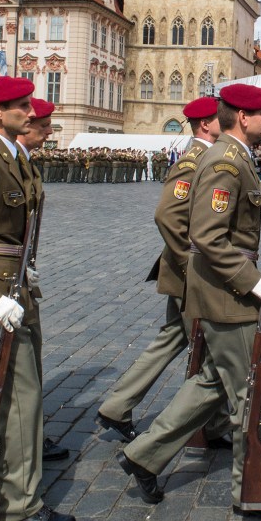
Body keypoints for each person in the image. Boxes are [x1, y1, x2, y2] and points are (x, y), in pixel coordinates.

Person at [118, 84, 261, 520]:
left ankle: (145, 454)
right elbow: (206, 235)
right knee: (253, 389)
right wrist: (252, 280)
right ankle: (256, 491)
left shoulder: (231, 156)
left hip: (224, 290)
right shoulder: (224, 160)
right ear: (242, 116)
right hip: (227, 294)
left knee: (215, 381)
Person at [98, 97, 231, 445]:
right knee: (215, 349)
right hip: (189, 272)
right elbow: (168, 215)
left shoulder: (207, 155)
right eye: (221, 118)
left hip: (184, 272)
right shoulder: (194, 159)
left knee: (174, 337)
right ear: (205, 124)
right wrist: (190, 263)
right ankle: (201, 429)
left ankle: (116, 406)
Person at [0, 77, 76, 521]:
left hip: (15, 283)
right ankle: (20, 504)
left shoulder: (10, 156)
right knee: (20, 395)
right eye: (21, 106)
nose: (32, 113)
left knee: (19, 389)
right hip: (1, 289)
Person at [16, 97, 69, 463]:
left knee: (30, 360)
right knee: (17, 371)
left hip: (20, 278)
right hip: (6, 282)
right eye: (44, 125)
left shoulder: (25, 162)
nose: (49, 130)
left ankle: (31, 434)